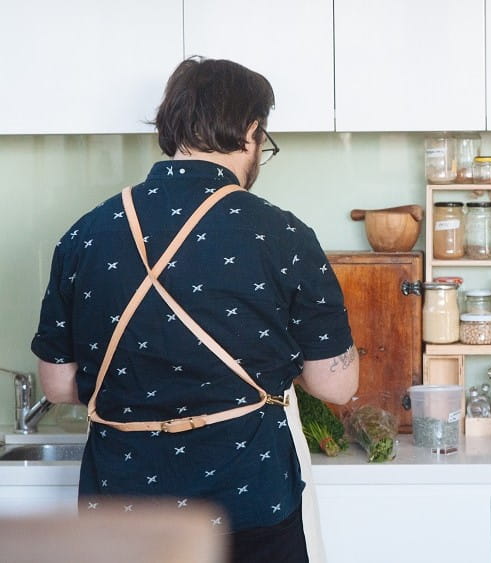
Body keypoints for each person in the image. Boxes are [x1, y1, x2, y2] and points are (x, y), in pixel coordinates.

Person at [30, 57, 358, 563]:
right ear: (250, 131)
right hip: (248, 503)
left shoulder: (85, 233)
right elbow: (336, 385)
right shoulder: (283, 234)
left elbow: (56, 384)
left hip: (121, 504)